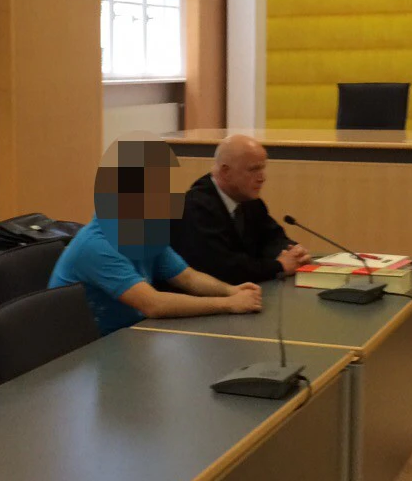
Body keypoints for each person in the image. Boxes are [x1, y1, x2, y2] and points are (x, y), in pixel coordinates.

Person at [49, 135, 262, 335]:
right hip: (91, 349)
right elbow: (153, 304)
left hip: (131, 336)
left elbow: (188, 277)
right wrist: (228, 304)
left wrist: (230, 290)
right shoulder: (96, 246)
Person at [171, 134, 310, 284]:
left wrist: (292, 252)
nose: (262, 178)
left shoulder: (249, 200)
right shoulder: (196, 208)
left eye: (262, 168)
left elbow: (272, 238)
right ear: (226, 172)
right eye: (254, 169)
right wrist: (279, 266)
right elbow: (222, 267)